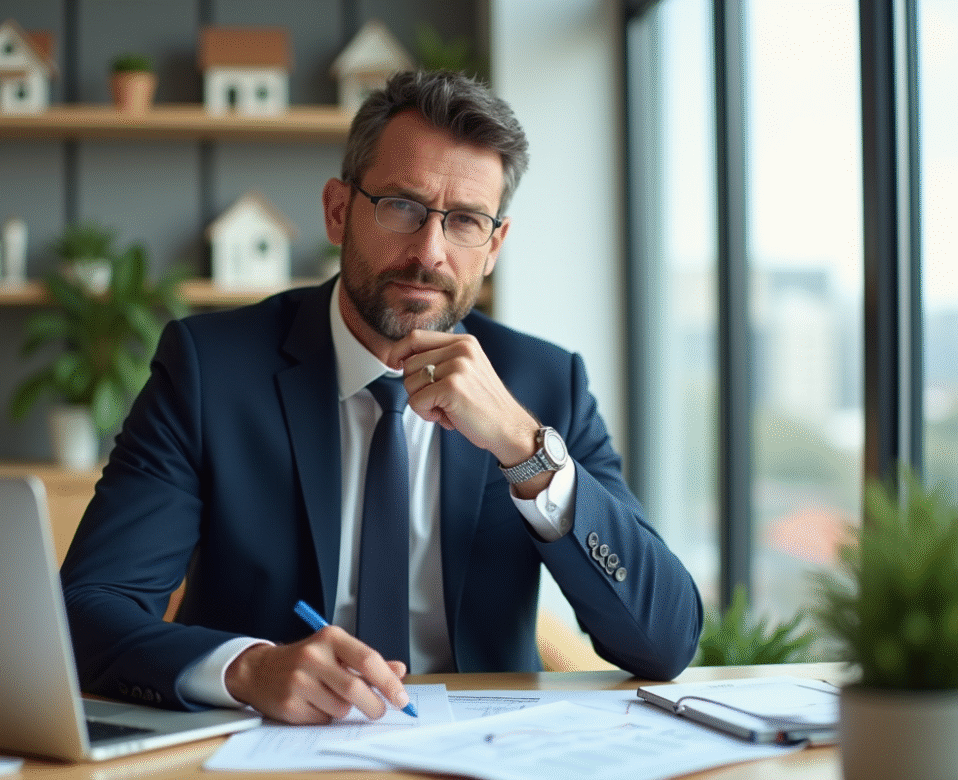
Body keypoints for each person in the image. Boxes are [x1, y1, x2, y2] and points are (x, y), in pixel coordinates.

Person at [60, 70, 702, 726]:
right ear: (339, 210)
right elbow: (86, 608)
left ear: (494, 245)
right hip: (270, 749)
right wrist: (248, 668)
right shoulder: (211, 371)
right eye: (402, 206)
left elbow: (665, 639)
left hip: (479, 756)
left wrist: (524, 448)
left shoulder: (543, 385)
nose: (429, 252)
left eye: (465, 222)